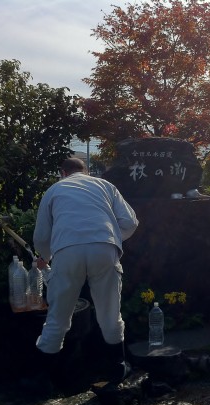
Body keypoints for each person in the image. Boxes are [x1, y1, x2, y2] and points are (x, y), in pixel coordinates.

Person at [31, 157, 138, 391]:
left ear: (63, 173)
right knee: (110, 313)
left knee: (58, 317)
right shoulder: (104, 185)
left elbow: (40, 236)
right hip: (105, 248)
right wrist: (112, 239)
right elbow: (130, 222)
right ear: (86, 171)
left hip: (67, 251)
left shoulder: (54, 190)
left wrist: (45, 257)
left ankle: (46, 379)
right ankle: (117, 366)